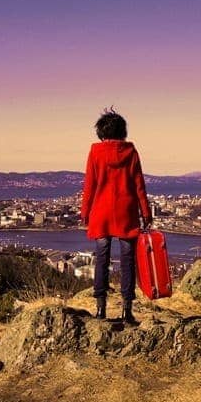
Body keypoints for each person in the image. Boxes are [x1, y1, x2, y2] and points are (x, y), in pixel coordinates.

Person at [81, 108, 152, 324]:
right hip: (126, 212)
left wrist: (85, 212)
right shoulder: (131, 152)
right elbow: (139, 185)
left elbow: (90, 185)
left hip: (100, 212)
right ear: (123, 131)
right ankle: (126, 311)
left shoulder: (95, 152)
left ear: (101, 132)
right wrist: (146, 213)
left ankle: (100, 309)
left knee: (102, 259)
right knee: (128, 260)